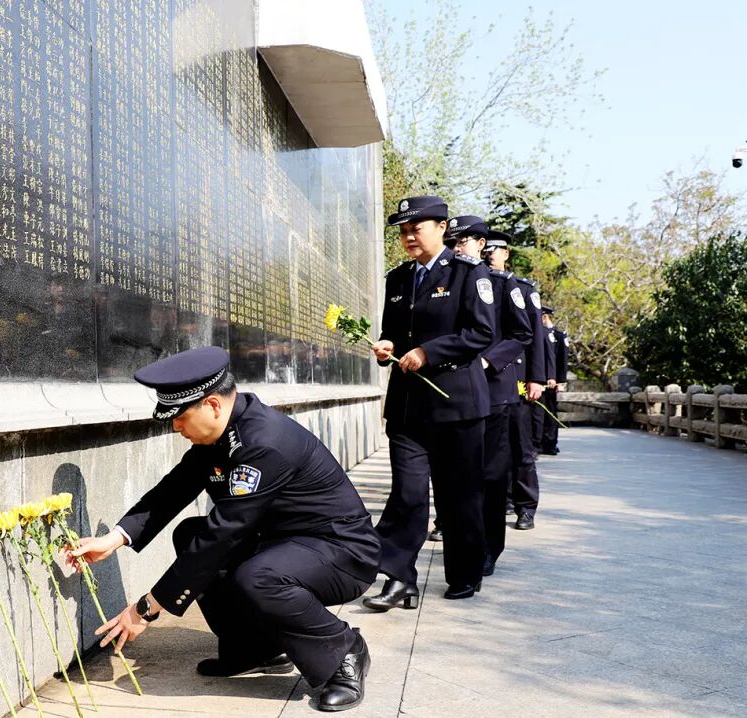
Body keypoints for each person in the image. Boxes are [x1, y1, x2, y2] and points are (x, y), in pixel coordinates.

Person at [68, 346, 380, 712]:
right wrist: (115, 538)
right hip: (289, 542)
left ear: (213, 405)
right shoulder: (224, 432)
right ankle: (256, 649)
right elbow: (174, 489)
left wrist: (146, 608)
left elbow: (223, 534)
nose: (175, 425)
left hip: (341, 551)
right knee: (189, 535)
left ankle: (344, 650)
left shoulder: (264, 443)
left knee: (257, 576)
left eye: (181, 416)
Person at [363, 197, 495, 609]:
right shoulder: (399, 279)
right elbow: (394, 330)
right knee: (407, 494)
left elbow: (481, 333)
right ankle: (399, 577)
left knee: (459, 496)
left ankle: (464, 572)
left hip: (457, 406)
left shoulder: (469, 274)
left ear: (442, 227)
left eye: (414, 229)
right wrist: (390, 346)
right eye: (402, 232)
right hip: (409, 409)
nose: (407, 238)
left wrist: (427, 352)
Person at [472, 228, 533, 575]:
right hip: (461, 391)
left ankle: (492, 543)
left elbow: (527, 335)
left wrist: (536, 378)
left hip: (502, 386)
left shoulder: (508, 285)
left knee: (501, 465)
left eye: (467, 242)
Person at [492, 233, 546, 532]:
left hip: (519, 379)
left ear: (506, 253)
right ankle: (503, 500)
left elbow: (534, 336)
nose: (489, 254)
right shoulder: (474, 281)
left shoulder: (522, 289)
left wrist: (536, 377)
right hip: (489, 380)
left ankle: (526, 506)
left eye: (494, 249)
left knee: (520, 446)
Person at [539, 307, 569, 455]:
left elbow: (563, 361)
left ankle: (550, 442)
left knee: (550, 412)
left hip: (552, 380)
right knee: (538, 412)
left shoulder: (559, 335)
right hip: (539, 378)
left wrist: (561, 381)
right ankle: (538, 442)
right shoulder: (538, 335)